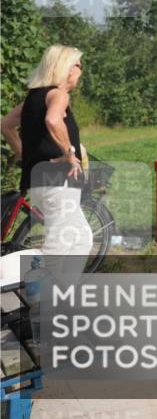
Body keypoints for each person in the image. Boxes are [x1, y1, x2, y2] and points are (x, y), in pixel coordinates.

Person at [0, 45, 93, 268]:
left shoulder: (34, 98)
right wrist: (69, 152)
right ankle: (33, 286)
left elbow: (5, 125)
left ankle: (64, 288)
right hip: (57, 182)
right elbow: (53, 120)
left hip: (40, 181)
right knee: (57, 248)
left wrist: (25, 155)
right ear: (68, 68)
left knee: (82, 239)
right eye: (79, 65)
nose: (81, 71)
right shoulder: (59, 95)